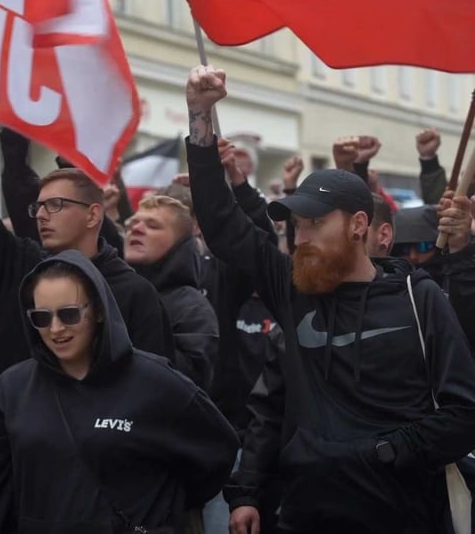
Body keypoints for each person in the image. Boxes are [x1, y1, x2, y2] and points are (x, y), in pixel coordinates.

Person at [184, 65, 475, 534]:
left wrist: (384, 452)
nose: (301, 238)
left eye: (315, 223)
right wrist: (199, 118)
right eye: (296, 226)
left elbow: (465, 415)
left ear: (359, 225)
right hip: (304, 517)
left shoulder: (418, 300)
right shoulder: (296, 290)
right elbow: (222, 225)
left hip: (402, 519)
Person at [0, 251, 238, 533]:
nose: (56, 328)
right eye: (42, 317)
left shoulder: (156, 382)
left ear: (98, 310)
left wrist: (161, 510)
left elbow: (216, 454)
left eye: (68, 314)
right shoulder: (11, 391)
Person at [0, 92, 175, 378]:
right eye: (40, 206)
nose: (42, 215)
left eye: (56, 205)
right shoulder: (19, 266)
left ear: (93, 215)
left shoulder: (134, 292)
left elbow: (157, 385)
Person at [124, 194, 219, 389]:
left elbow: (188, 382)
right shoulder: (108, 291)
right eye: (132, 223)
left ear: (179, 244)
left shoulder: (193, 308)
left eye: (152, 225)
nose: (136, 229)